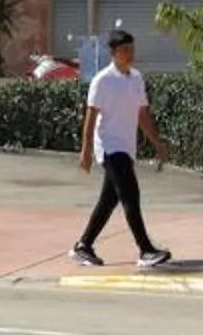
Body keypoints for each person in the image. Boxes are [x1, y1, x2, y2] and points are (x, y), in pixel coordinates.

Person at [73, 29, 173, 268]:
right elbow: (90, 116)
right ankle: (146, 250)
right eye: (125, 50)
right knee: (130, 195)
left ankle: (83, 246)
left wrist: (157, 142)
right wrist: (86, 150)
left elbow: (142, 114)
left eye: (132, 48)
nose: (130, 53)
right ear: (113, 52)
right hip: (109, 147)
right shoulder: (102, 80)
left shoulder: (136, 78)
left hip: (126, 147)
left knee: (109, 200)